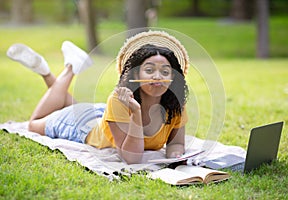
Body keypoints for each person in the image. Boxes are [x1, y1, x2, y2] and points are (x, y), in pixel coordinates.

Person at [6, 31, 189, 164]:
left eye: (165, 71)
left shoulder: (175, 106)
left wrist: (176, 155)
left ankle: (50, 71)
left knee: (67, 104)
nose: (158, 76)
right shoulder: (119, 100)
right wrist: (136, 112)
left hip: (103, 116)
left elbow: (177, 143)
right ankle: (69, 68)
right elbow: (131, 158)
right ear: (134, 75)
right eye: (149, 70)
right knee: (33, 124)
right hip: (83, 125)